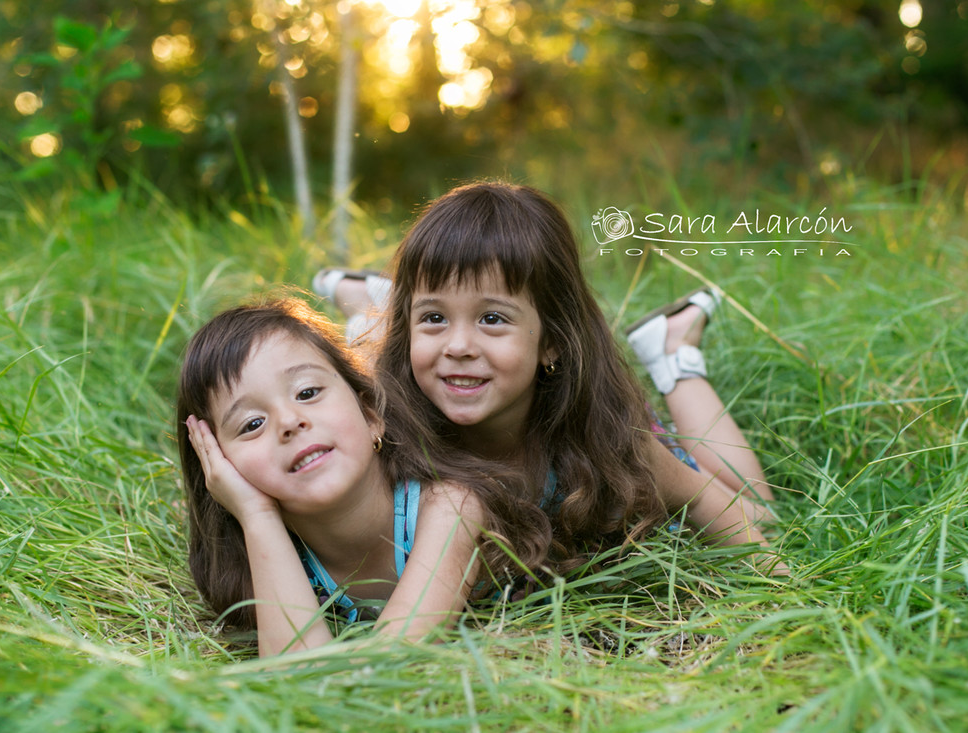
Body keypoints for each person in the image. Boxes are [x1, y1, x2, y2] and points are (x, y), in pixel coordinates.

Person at [314, 181, 781, 574]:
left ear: (552, 340)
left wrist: (785, 583)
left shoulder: (612, 438)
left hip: (619, 429)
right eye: (433, 317)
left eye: (492, 319)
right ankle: (372, 305)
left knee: (761, 509)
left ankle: (673, 350)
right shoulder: (385, 426)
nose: (459, 346)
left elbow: (720, 512)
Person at [175, 298, 546, 657]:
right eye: (252, 424)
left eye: (308, 392)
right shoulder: (271, 557)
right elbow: (293, 680)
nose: (290, 423)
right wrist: (256, 515)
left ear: (371, 415)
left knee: (374, 326)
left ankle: (360, 297)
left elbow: (387, 662)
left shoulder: (452, 506)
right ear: (218, 468)